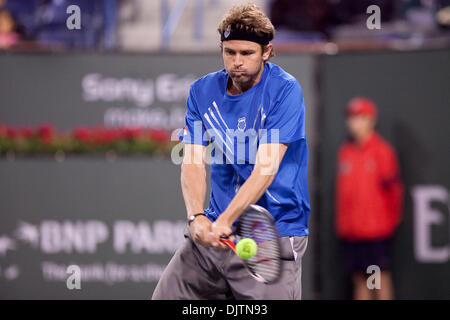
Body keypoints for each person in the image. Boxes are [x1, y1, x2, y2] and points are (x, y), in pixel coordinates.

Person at [152, 3, 310, 300]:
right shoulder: (202, 91)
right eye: (229, 52)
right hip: (215, 234)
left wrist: (228, 218)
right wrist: (197, 216)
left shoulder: (285, 91)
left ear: (266, 52)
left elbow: (266, 168)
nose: (237, 61)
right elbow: (193, 161)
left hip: (273, 234)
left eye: (247, 53)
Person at [335, 97, 403, 300]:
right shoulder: (345, 152)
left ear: (371, 120)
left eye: (360, 117)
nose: (354, 122)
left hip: (375, 234)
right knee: (360, 280)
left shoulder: (382, 152)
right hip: (352, 233)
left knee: (377, 279)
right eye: (351, 117)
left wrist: (386, 224)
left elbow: (394, 192)